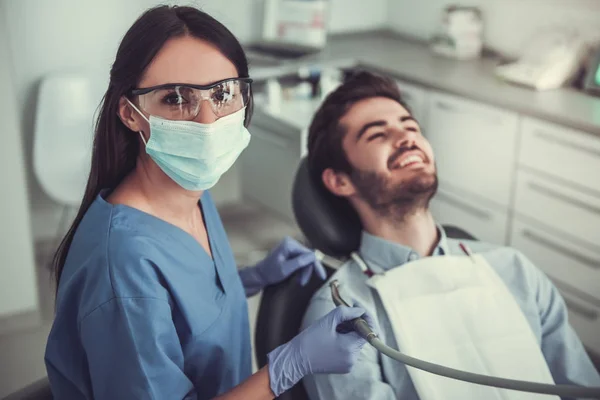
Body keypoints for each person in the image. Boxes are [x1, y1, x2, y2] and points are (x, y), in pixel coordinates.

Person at [44, 6, 375, 400]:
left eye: (222, 93)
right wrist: (291, 364)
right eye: (175, 98)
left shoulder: (189, 193)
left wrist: (247, 278)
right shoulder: (123, 268)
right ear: (129, 114)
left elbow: (185, 309)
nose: (206, 121)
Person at [301, 71, 600, 399]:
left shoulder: (514, 270)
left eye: (411, 127)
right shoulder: (342, 313)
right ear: (340, 181)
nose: (406, 138)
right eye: (377, 135)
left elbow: (582, 389)